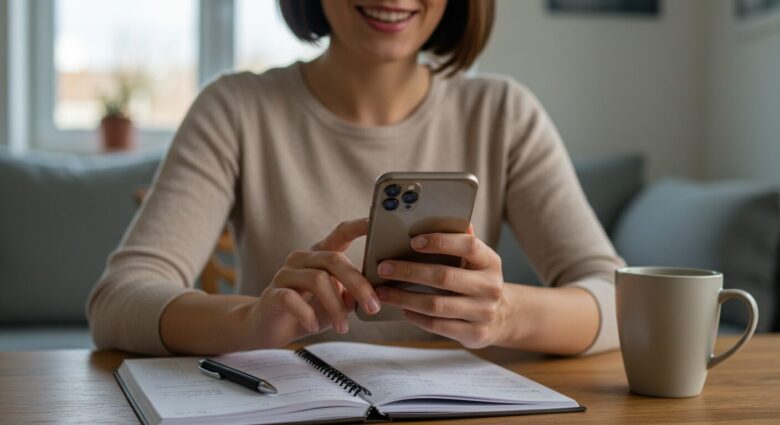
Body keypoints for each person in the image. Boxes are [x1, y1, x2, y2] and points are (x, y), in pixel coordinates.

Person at [87, 0, 625, 357]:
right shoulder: (235, 109)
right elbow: (118, 300)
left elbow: (621, 300)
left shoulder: (504, 114)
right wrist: (249, 323)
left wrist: (507, 314)